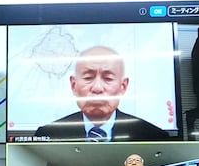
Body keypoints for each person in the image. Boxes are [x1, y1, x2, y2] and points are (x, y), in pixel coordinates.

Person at [29, 46, 170, 142]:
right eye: (88, 78)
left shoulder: (153, 136)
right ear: (74, 85)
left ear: (123, 86)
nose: (97, 88)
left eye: (108, 78)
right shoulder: (48, 135)